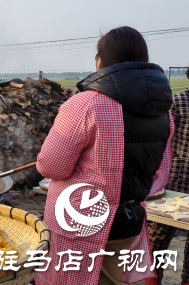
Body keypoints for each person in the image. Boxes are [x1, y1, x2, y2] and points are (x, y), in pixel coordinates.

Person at [34, 26, 174, 285]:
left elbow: (52, 168)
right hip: (128, 221)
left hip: (77, 224)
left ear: (101, 60)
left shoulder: (85, 104)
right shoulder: (163, 112)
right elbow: (160, 174)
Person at [147, 69, 189, 285]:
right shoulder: (179, 102)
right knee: (159, 235)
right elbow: (162, 137)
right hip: (177, 181)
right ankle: (152, 279)